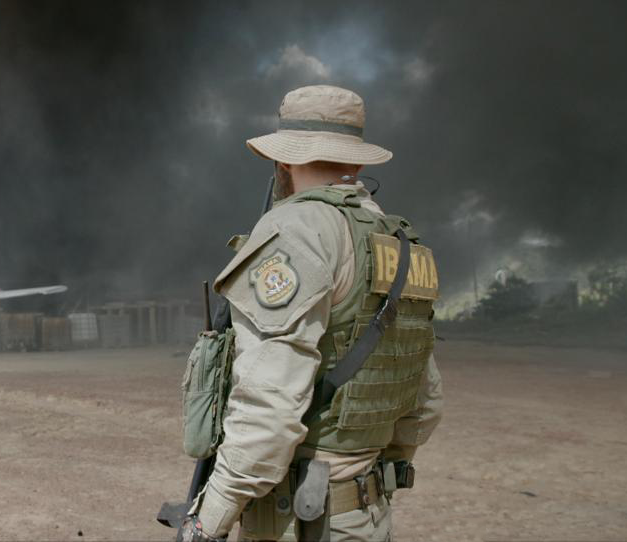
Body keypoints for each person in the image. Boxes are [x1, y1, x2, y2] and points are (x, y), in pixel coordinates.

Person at [179, 85, 444, 542]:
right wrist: (371, 469)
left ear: (284, 162)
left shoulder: (296, 229)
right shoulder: (398, 241)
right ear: (355, 162)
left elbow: (269, 408)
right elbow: (424, 398)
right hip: (367, 515)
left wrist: (208, 520)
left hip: (301, 522)